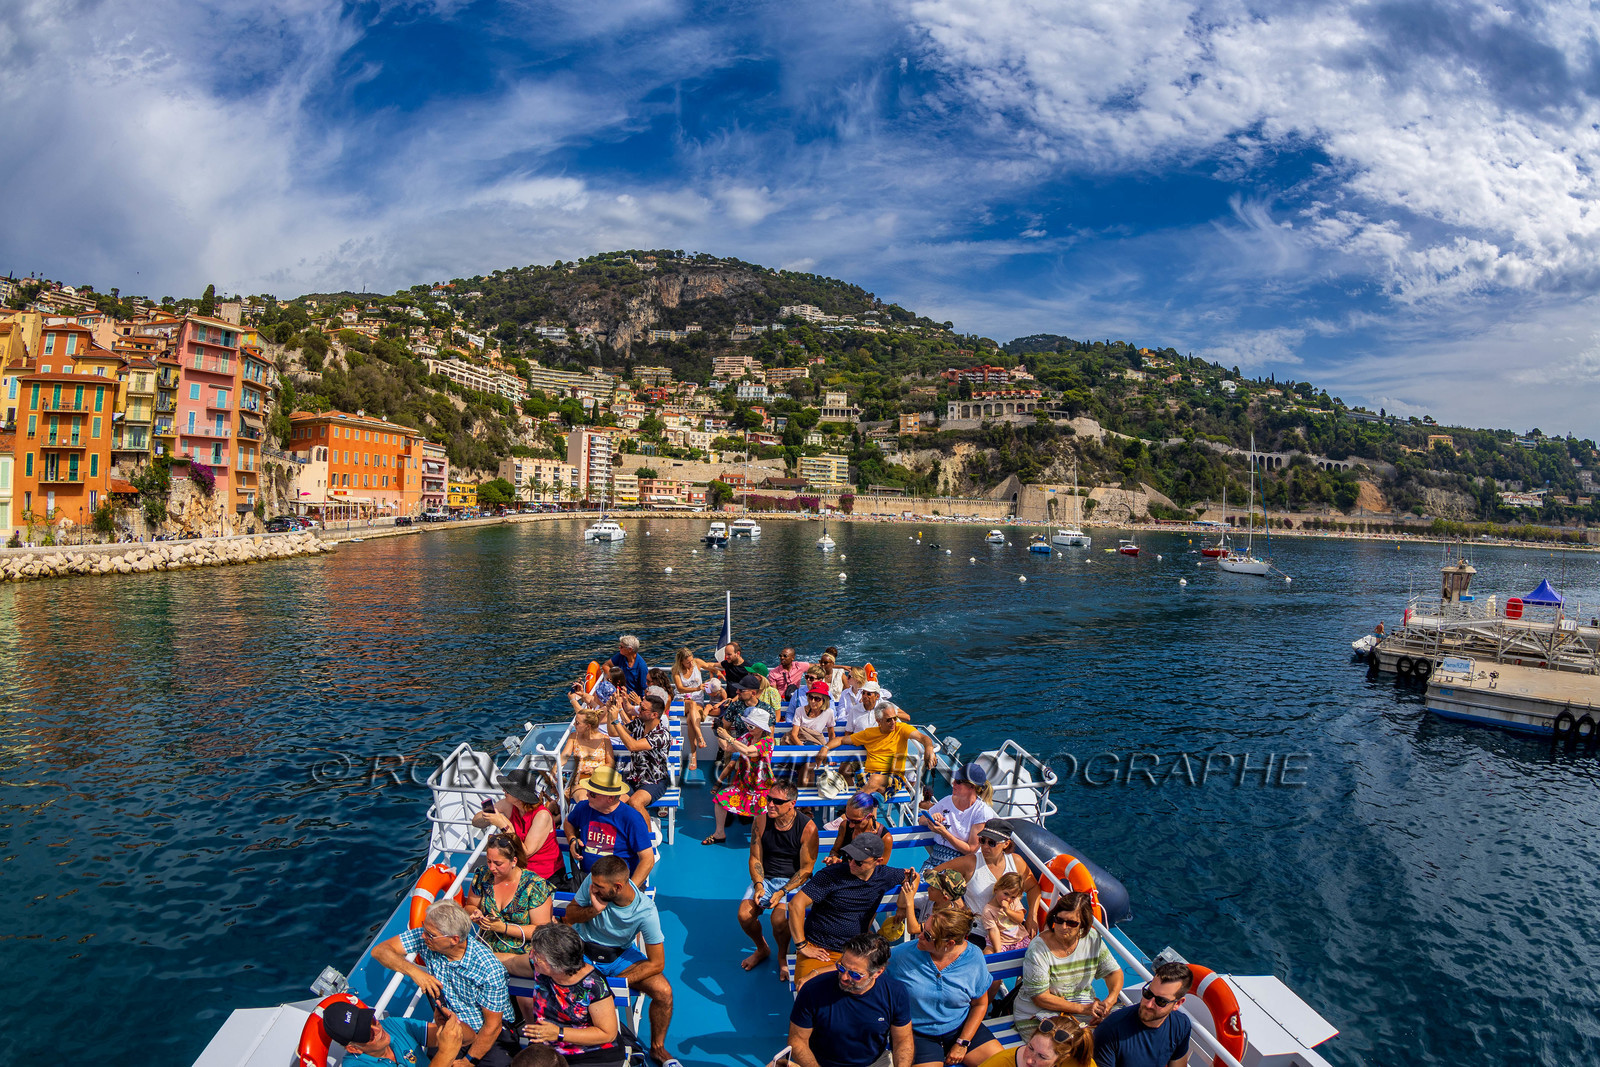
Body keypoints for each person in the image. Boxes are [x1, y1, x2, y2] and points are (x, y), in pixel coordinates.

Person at [560, 856, 680, 1067]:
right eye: (593, 884)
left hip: (619, 957)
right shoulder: (594, 881)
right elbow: (568, 917)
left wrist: (615, 982)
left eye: (598, 887)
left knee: (664, 992)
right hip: (582, 950)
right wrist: (594, 909)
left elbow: (657, 963)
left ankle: (657, 1048)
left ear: (617, 887)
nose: (593, 890)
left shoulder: (645, 911)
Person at [371, 900, 512, 1067]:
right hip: (448, 1025)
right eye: (424, 929)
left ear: (454, 939)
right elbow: (379, 950)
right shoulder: (427, 939)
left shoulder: (489, 970)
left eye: (430, 934)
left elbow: (492, 1026)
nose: (423, 936)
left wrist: (468, 1061)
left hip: (486, 1032)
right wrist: (415, 972)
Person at [885, 906, 1002, 1067]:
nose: (918, 936)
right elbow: (871, 972)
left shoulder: (973, 957)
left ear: (950, 943)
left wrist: (962, 1043)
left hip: (960, 1027)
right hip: (919, 1034)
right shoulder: (901, 955)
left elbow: (980, 1004)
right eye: (923, 928)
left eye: (927, 936)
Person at [789, 831, 909, 987]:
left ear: (877, 861)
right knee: (806, 990)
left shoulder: (884, 875)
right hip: (820, 949)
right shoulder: (831, 875)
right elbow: (795, 904)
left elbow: (912, 875)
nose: (851, 863)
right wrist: (802, 945)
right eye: (849, 857)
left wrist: (902, 906)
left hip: (856, 951)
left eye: (859, 861)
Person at [789, 933, 914, 1067]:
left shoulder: (895, 992)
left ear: (877, 972)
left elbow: (903, 1040)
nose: (843, 977)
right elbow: (797, 1041)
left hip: (874, 1063)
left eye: (855, 974)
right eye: (841, 967)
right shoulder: (813, 990)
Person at [738, 780, 818, 979]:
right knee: (745, 916)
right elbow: (755, 858)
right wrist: (758, 885)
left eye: (777, 801)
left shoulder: (808, 828)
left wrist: (782, 892)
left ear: (792, 803)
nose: (770, 804)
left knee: (779, 920)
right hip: (766, 878)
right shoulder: (761, 821)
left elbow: (806, 870)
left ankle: (782, 957)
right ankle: (762, 949)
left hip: (793, 881)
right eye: (769, 799)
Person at [514, 922, 623, 1067]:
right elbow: (510, 962)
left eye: (537, 954)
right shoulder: (540, 968)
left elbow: (607, 1034)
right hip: (547, 1050)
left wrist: (558, 1033)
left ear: (557, 963)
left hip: (591, 1055)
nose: (531, 955)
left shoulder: (593, 985)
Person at [1014, 894, 1123, 1038]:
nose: (1063, 927)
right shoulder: (1039, 949)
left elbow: (1113, 973)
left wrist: (1110, 1000)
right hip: (1037, 1014)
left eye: (1071, 923)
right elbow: (1040, 997)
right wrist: (1084, 1009)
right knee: (1072, 1045)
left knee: (1115, 1035)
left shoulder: (1092, 939)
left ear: (1083, 924)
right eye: (1059, 920)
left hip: (1079, 1009)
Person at [464, 833, 555, 964]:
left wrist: (503, 928)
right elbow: (470, 906)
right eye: (489, 861)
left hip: (523, 953)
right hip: (487, 946)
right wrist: (476, 914)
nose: (491, 868)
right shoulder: (483, 875)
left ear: (514, 861)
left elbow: (541, 931)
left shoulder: (535, 885)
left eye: (498, 863)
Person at [564, 767, 657, 886]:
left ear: (610, 798)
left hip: (618, 884)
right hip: (587, 880)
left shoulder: (631, 818)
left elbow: (647, 860)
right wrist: (572, 839)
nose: (586, 795)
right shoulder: (583, 807)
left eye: (592, 794)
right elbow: (568, 822)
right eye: (588, 790)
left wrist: (630, 890)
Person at [818, 702, 934, 796]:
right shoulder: (869, 734)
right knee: (874, 795)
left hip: (893, 778)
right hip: (869, 776)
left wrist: (928, 748)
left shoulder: (901, 729)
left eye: (895, 718)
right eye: (889, 720)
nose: (893, 722)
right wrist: (825, 748)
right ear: (879, 721)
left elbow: (923, 737)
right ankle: (869, 821)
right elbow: (842, 740)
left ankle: (847, 814)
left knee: (874, 780)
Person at [1091, 962, 1193, 1067]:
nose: (1148, 1004)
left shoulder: (1181, 1025)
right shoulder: (1109, 1031)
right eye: (1148, 994)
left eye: (1161, 1001)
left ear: (1178, 1003)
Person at [935, 819, 1039, 920]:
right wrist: (955, 898)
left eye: (992, 843)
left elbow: (1033, 887)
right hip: (976, 932)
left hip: (1012, 933)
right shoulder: (969, 862)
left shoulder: (1016, 862)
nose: (985, 846)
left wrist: (1032, 916)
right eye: (982, 840)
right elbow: (934, 873)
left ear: (1006, 844)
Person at [703, 705, 776, 845]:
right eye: (748, 724)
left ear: (761, 728)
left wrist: (728, 737)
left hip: (761, 788)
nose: (749, 728)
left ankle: (761, 843)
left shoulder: (768, 742)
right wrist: (717, 732)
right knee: (720, 799)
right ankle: (719, 833)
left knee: (760, 820)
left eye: (752, 726)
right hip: (744, 784)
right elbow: (727, 747)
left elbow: (748, 751)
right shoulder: (747, 737)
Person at [475, 768, 563, 883]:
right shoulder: (509, 804)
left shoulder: (542, 816)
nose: (503, 791)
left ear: (518, 795)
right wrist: (488, 814)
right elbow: (475, 822)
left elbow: (526, 852)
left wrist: (503, 825)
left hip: (543, 876)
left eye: (507, 789)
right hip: (517, 870)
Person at [322, 998, 468, 1067]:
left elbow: (469, 1038)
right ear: (353, 1048)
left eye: (372, 1021)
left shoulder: (392, 1025)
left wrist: (450, 1023)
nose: (378, 1030)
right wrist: (445, 1054)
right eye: (368, 1034)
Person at [920, 763, 997, 867]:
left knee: (934, 882)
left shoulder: (981, 812)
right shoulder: (947, 801)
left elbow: (971, 850)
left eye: (958, 781)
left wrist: (944, 833)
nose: (953, 783)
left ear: (972, 786)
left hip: (962, 864)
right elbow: (922, 820)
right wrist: (932, 818)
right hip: (936, 858)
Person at [610, 688, 672, 817]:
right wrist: (611, 711)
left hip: (655, 780)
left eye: (643, 709)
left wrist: (617, 721)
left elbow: (633, 746)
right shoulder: (639, 723)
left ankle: (646, 835)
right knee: (613, 803)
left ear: (654, 715)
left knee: (635, 803)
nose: (638, 711)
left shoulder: (661, 734)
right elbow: (613, 732)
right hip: (634, 777)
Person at [880, 868, 967, 944]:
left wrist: (909, 901)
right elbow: (902, 904)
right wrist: (913, 880)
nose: (928, 889)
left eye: (932, 889)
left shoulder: (948, 919)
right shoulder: (928, 901)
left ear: (944, 897)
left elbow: (913, 929)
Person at [978, 1016, 1095, 1067]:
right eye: (1030, 1047)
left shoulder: (1078, 1064)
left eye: (1042, 1057)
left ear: (1063, 1058)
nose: (1029, 1059)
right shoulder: (1000, 1063)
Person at [673, 647, 723, 761]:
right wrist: (697, 688)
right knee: (691, 704)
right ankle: (700, 736)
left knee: (691, 718)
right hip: (682, 701)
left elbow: (709, 666)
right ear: (681, 662)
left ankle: (693, 754)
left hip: (697, 702)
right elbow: (680, 689)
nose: (691, 663)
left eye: (691, 660)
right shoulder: (676, 670)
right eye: (688, 662)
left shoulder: (697, 663)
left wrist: (718, 672)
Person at [823, 792, 895, 866]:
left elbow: (880, 869)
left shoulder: (885, 838)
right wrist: (833, 858)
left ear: (869, 816)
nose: (851, 825)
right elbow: (835, 851)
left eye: (855, 821)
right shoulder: (844, 825)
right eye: (848, 818)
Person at [562, 711, 615, 803]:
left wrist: (594, 770)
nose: (574, 724)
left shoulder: (604, 739)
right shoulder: (573, 737)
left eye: (577, 723)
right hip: (580, 781)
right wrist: (554, 770)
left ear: (588, 726)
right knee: (584, 800)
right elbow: (563, 757)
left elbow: (611, 763)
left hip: (601, 780)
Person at [980, 872, 1033, 953]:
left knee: (1033, 949)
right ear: (996, 889)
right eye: (1006, 894)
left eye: (1012, 897)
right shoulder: (988, 910)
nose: (1008, 899)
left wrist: (1007, 910)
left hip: (1019, 939)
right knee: (987, 954)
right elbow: (994, 931)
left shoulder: (1014, 902)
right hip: (1001, 942)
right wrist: (998, 951)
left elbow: (1020, 919)